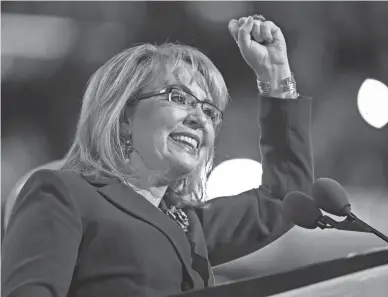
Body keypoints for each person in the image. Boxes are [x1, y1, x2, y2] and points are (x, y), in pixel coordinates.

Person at [2, 15, 314, 297]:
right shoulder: (63, 194)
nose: (200, 119)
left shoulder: (190, 225)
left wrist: (275, 77)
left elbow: (286, 196)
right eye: (180, 98)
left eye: (209, 111)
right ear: (124, 114)